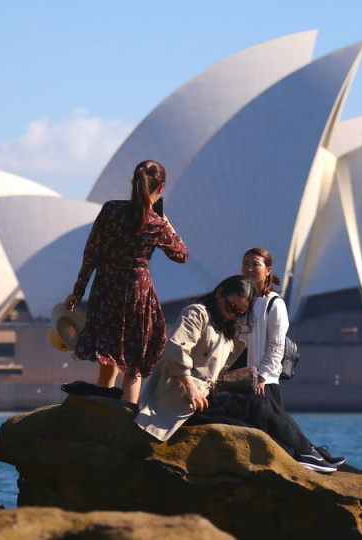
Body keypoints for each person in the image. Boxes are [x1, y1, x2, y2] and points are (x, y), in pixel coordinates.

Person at [135, 276, 343, 473]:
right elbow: (175, 349)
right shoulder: (196, 313)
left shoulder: (224, 326)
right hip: (184, 400)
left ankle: (305, 453)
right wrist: (190, 388)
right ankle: (305, 454)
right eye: (230, 307)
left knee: (262, 402)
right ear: (219, 292)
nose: (232, 314)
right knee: (256, 410)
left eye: (239, 312)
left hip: (206, 397)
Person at [65, 160, 187, 403]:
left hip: (106, 288)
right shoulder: (156, 223)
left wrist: (78, 292)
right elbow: (181, 254)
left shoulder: (110, 210)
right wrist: (166, 221)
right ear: (161, 188)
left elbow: (91, 253)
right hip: (137, 293)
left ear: (133, 182)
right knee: (133, 365)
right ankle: (127, 415)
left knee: (108, 357)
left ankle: (103, 409)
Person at [240, 246, 345, 467]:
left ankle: (311, 454)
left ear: (268, 270)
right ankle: (314, 455)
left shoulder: (273, 303)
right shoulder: (243, 300)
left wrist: (263, 375)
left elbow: (277, 344)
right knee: (276, 425)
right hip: (242, 374)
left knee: (279, 425)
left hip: (263, 378)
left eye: (255, 265)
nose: (249, 269)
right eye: (246, 264)